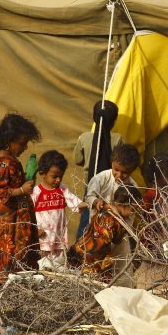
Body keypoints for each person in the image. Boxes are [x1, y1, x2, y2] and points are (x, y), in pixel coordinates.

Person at [0, 113, 41, 274]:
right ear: (8, 142)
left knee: (22, 253)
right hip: (10, 220)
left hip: (18, 217)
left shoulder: (10, 160)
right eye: (22, 143)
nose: (24, 147)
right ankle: (8, 287)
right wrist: (21, 190)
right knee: (12, 252)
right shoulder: (3, 163)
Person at [85, 143, 140, 286]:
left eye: (125, 173)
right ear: (112, 163)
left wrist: (119, 211)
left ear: (132, 171)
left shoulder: (133, 187)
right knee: (97, 264)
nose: (119, 175)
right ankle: (96, 290)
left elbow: (132, 211)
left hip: (120, 235)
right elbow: (89, 196)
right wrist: (97, 201)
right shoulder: (100, 179)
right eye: (116, 170)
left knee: (122, 265)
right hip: (99, 233)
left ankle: (123, 294)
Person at [73, 100, 123, 240]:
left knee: (86, 222)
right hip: (111, 188)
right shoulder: (118, 139)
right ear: (114, 121)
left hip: (90, 186)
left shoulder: (84, 138)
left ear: (94, 118)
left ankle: (79, 253)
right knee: (110, 221)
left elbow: (78, 160)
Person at [30, 150, 87, 270]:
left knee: (59, 269)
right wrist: (35, 230)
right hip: (42, 240)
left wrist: (90, 203)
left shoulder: (62, 190)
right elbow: (28, 214)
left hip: (59, 240)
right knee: (42, 267)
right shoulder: (35, 192)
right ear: (42, 173)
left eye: (60, 176)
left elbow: (75, 203)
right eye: (54, 176)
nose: (58, 180)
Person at [68, 184, 142, 278]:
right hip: (93, 259)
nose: (133, 213)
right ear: (125, 205)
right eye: (133, 209)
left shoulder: (103, 209)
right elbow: (116, 240)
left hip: (78, 251)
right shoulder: (115, 221)